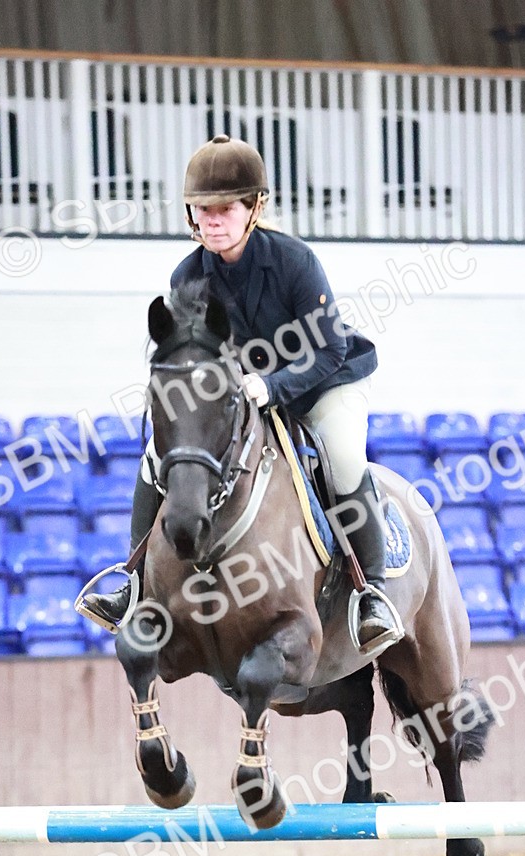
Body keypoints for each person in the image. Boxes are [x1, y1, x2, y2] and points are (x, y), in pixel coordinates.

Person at [81, 134, 401, 652]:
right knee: (154, 458)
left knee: (342, 456)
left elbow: (330, 350)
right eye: (201, 209)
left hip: (323, 381)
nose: (211, 219)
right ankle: (132, 581)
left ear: (254, 208)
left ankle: (372, 596)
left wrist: (273, 385)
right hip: (242, 396)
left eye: (224, 208)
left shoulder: (294, 261)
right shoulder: (187, 276)